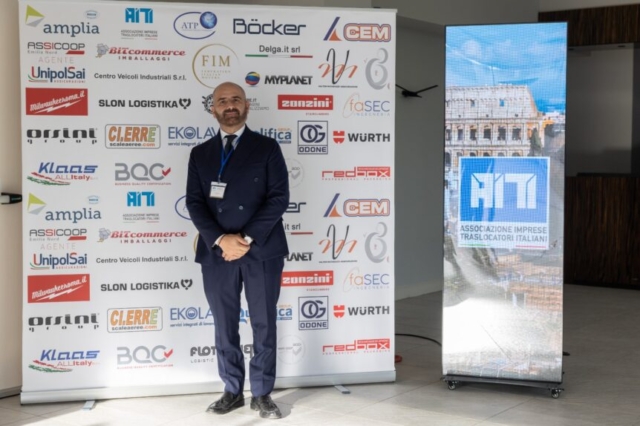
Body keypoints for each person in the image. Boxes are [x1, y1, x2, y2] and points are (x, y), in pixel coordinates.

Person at [186, 81, 289, 419]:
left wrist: (245, 239)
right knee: (224, 323)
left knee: (264, 323)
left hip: (261, 249)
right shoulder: (200, 153)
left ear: (247, 106)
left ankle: (262, 393)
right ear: (212, 109)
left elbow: (279, 198)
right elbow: (195, 203)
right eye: (222, 101)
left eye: (236, 99)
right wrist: (221, 239)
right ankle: (232, 390)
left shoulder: (267, 147)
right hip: (217, 252)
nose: (229, 105)